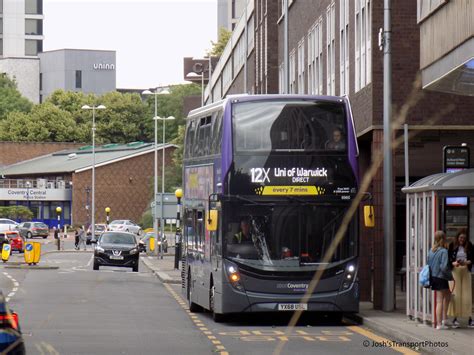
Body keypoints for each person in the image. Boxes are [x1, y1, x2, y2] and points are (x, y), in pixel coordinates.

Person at [448, 230, 473, 328]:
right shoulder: (452, 245)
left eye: (464, 238)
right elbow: (449, 259)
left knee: (467, 294)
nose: (462, 239)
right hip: (455, 271)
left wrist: (466, 262)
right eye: (460, 237)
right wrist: (454, 263)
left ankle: (470, 319)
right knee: (456, 294)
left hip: (466, 270)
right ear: (457, 237)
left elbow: (473, 259)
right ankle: (455, 319)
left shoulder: (469, 245)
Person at [428, 230, 453, 330]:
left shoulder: (431, 250)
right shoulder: (444, 251)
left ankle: (444, 319)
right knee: (440, 301)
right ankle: (439, 324)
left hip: (433, 277)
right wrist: (450, 276)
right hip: (441, 277)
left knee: (447, 295)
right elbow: (444, 267)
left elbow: (428, 264)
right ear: (443, 239)